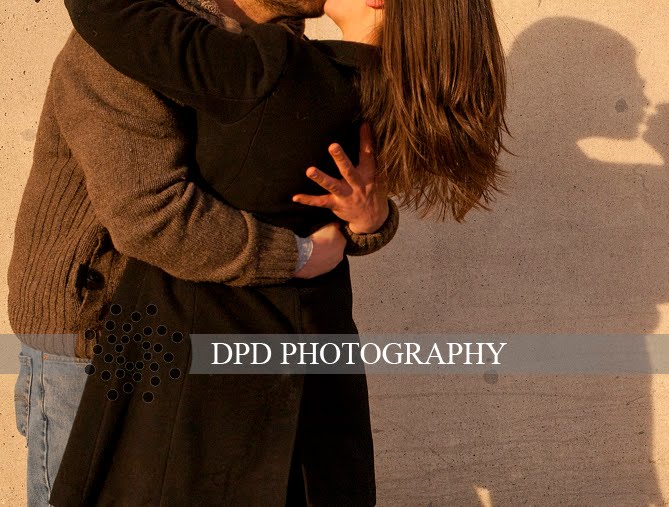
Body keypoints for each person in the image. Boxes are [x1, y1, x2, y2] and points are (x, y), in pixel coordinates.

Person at [51, 0, 508, 505]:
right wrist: (364, 224)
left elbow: (109, 14)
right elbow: (329, 204)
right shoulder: (393, 99)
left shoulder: (280, 68)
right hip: (306, 384)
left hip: (192, 375)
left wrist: (303, 252)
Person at [8, 1, 398, 506]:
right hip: (92, 339)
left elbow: (309, 200)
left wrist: (370, 220)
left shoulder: (287, 55)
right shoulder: (131, 44)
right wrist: (296, 255)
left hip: (199, 341)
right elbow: (152, 215)